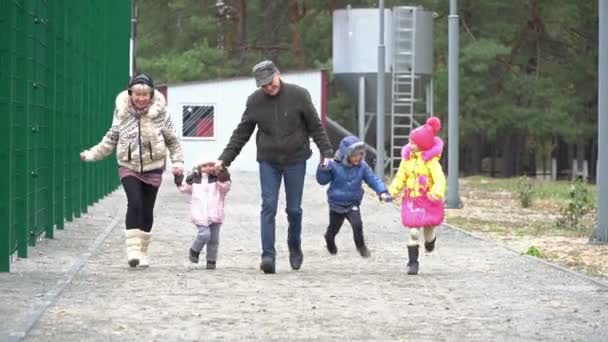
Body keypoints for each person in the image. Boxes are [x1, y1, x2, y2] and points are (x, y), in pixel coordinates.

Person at [213, 60, 333, 274]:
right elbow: (242, 133)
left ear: (278, 73)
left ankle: (294, 246)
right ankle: (267, 255)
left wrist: (327, 153)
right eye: (264, 85)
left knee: (294, 209)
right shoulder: (255, 101)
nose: (269, 87)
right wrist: (224, 159)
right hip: (268, 160)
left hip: (296, 159)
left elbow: (316, 126)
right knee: (268, 205)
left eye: (270, 82)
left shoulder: (299, 95)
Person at [80, 73, 184, 268]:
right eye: (137, 94)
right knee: (134, 203)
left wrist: (178, 163)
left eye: (145, 94)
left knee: (147, 209)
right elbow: (111, 138)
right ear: (130, 94)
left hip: (154, 166)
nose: (141, 98)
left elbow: (172, 141)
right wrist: (92, 154)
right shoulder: (122, 113)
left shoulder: (162, 114)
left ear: (152, 95)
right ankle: (133, 251)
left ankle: (143, 251)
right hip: (129, 165)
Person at [316, 136, 392, 258]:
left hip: (352, 203)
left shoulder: (362, 166)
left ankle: (360, 246)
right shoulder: (334, 165)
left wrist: (382, 191)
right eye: (354, 155)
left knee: (357, 224)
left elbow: (372, 179)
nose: (358, 158)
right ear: (346, 154)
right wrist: (323, 169)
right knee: (334, 228)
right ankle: (329, 239)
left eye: (360, 154)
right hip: (336, 203)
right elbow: (322, 181)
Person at [388, 117, 446, 275]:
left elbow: (439, 179)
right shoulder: (406, 161)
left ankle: (430, 240)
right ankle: (412, 263)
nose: (409, 145)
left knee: (428, 230)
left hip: (428, 200)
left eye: (413, 142)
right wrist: (391, 192)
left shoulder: (431, 162)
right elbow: (400, 178)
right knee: (413, 232)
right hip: (412, 200)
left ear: (421, 145)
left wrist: (436, 192)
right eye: (409, 141)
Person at [176, 162, 231, 270]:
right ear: (199, 168)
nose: (208, 168)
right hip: (199, 213)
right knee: (204, 234)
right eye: (204, 166)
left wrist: (223, 173)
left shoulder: (218, 180)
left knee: (214, 240)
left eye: (211, 165)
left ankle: (211, 261)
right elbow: (183, 188)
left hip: (215, 213)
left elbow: (225, 188)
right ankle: (194, 250)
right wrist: (178, 177)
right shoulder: (194, 180)